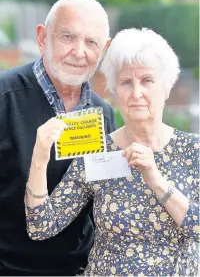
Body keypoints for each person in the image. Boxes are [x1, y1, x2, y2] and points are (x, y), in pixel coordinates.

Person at [25, 28, 199, 276]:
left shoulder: (193, 150)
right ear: (115, 92)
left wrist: (156, 181)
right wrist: (39, 158)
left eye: (147, 80)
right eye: (126, 82)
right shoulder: (98, 151)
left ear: (167, 87)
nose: (137, 93)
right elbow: (41, 226)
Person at [0, 0, 116, 276]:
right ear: (43, 38)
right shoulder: (5, 97)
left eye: (91, 42)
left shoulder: (104, 114)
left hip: (80, 269)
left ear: (105, 49)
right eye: (68, 37)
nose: (79, 52)